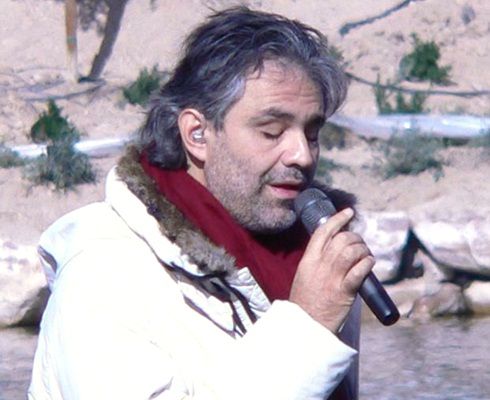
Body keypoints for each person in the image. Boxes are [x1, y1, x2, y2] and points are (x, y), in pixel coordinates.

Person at [29, 7, 375, 400]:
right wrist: (308, 327)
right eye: (272, 131)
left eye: (311, 133)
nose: (302, 154)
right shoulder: (104, 273)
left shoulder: (315, 256)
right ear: (197, 134)